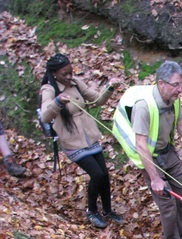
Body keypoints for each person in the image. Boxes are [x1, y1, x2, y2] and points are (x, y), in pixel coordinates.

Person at [112, 60, 182, 239]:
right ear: (161, 84)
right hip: (151, 158)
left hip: (168, 153)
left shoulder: (173, 99)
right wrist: (155, 178)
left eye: (181, 84)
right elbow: (140, 144)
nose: (180, 89)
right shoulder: (144, 106)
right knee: (168, 205)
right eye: (176, 85)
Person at [39, 53, 123, 229]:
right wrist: (57, 102)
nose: (69, 77)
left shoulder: (76, 83)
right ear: (54, 74)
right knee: (97, 175)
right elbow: (46, 116)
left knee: (105, 175)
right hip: (73, 142)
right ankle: (91, 211)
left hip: (90, 137)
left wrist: (110, 88)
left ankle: (107, 210)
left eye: (70, 72)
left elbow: (97, 100)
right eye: (65, 74)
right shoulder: (49, 89)